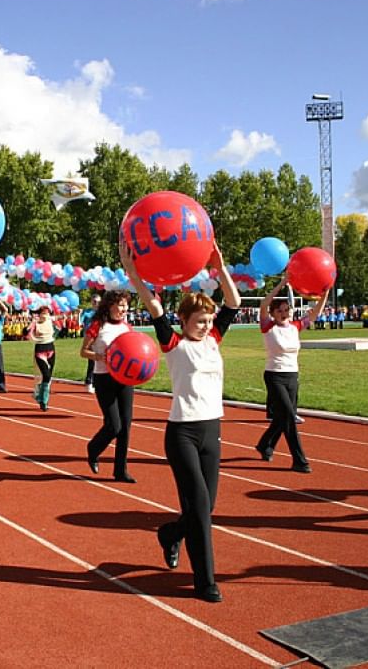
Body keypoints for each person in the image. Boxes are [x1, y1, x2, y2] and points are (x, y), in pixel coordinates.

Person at [121, 239, 241, 604]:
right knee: (201, 510)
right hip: (182, 434)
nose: (205, 326)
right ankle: (206, 581)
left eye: (207, 321)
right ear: (183, 322)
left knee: (205, 507)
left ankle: (171, 533)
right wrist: (134, 274)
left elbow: (233, 303)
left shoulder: (214, 340)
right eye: (198, 322)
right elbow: (153, 306)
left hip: (211, 431)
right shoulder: (174, 344)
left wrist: (219, 269)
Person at [254, 280, 328, 473]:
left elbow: (315, 313)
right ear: (273, 313)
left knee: (282, 418)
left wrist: (325, 292)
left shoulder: (295, 326)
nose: (283, 313)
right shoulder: (268, 326)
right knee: (288, 417)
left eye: (286, 309)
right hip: (274, 375)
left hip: (292, 375)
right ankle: (299, 460)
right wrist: (281, 284)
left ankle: (265, 445)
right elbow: (263, 304)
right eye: (279, 310)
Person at [81, 290, 137, 483]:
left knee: (126, 426)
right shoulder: (98, 325)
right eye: (121, 305)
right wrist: (99, 357)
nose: (125, 309)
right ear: (110, 305)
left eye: (126, 305)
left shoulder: (127, 327)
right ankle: (93, 449)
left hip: (125, 379)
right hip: (104, 378)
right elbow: (83, 351)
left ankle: (120, 470)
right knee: (114, 425)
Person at [26, 305, 57, 411]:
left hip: (51, 349)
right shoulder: (36, 323)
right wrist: (32, 322)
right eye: (43, 313)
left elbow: (61, 318)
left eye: (47, 313)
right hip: (40, 350)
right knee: (46, 375)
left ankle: (40, 396)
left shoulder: (50, 321)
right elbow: (25, 332)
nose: (45, 315)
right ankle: (43, 400)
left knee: (49, 377)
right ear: (39, 314)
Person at [80, 294, 100, 393]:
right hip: (90, 339)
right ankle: (89, 382)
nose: (96, 304)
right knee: (92, 361)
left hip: (100, 338)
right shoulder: (87, 312)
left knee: (100, 361)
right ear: (91, 302)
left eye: (98, 302)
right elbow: (81, 321)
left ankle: (96, 382)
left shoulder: (102, 313)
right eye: (95, 301)